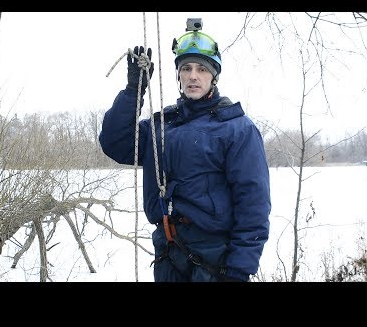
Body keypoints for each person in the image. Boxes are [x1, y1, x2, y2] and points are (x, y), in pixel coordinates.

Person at [99, 23, 271, 282]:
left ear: (214, 77)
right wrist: (134, 91)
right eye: (186, 69)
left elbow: (253, 204)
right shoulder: (162, 126)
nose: (193, 76)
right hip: (168, 255)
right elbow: (116, 142)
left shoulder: (236, 128)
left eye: (202, 69)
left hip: (215, 261)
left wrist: (238, 270)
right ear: (178, 75)